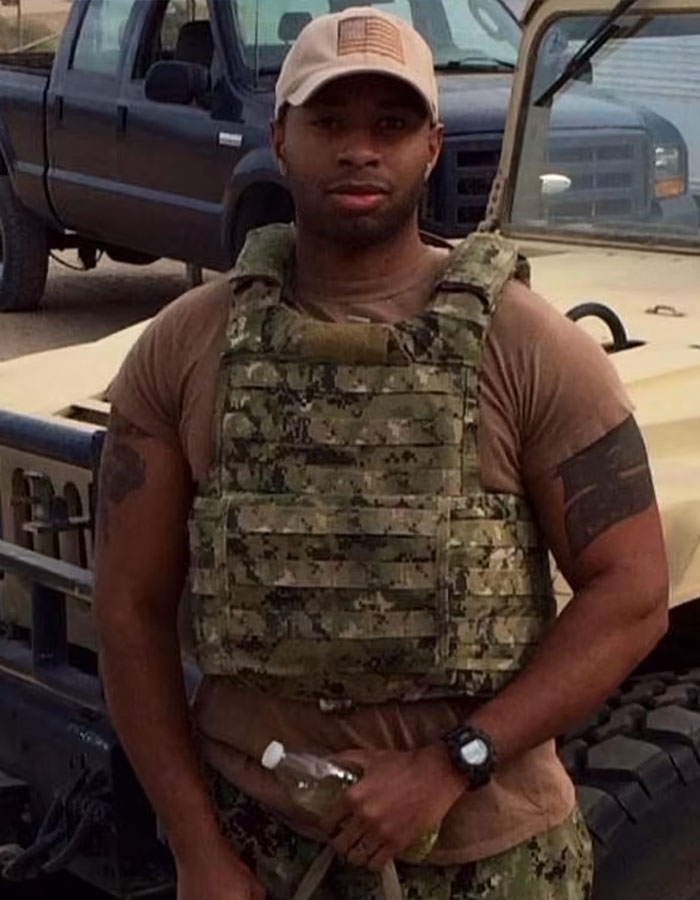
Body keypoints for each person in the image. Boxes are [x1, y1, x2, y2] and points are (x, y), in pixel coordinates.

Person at [94, 7, 669, 900]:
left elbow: (632, 594)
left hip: (483, 852)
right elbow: (129, 608)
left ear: (431, 147)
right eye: (329, 122)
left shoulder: (530, 346)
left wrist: (453, 761)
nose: (360, 150)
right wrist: (196, 848)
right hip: (255, 843)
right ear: (280, 140)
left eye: (391, 125)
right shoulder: (187, 345)